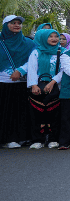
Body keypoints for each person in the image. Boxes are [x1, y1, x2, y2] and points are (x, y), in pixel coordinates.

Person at [26, 28, 67, 148]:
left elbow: (64, 70)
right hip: (38, 86)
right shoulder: (36, 52)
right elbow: (32, 69)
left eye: (56, 36)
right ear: (44, 38)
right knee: (36, 114)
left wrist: (52, 82)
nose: (54, 39)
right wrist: (33, 84)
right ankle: (37, 140)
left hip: (55, 87)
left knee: (54, 114)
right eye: (50, 36)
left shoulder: (63, 52)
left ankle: (53, 139)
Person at [1, 15, 35, 149]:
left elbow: (33, 60)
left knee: (18, 111)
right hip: (2, 83)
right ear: (5, 25)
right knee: (3, 111)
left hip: (20, 82)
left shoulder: (28, 43)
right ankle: (4, 138)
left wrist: (20, 70)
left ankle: (16, 138)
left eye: (19, 23)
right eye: (13, 23)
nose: (17, 25)